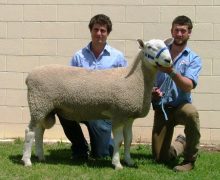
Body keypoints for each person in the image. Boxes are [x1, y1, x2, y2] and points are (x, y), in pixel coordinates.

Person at [58, 14, 127, 160]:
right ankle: (80, 149)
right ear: (91, 31)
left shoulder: (117, 57)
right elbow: (70, 81)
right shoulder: (78, 56)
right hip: (81, 105)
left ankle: (109, 144)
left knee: (101, 155)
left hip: (103, 111)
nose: (99, 34)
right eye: (96, 30)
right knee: (62, 110)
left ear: (108, 33)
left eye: (103, 30)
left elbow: (125, 83)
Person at [151, 15, 202, 172]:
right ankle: (181, 142)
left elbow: (188, 86)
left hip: (181, 105)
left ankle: (189, 160)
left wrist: (171, 72)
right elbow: (150, 77)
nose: (179, 34)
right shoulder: (159, 53)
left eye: (183, 31)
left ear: (189, 33)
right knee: (160, 158)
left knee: (191, 114)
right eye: (176, 30)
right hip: (162, 108)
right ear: (171, 31)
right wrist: (153, 91)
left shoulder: (193, 58)